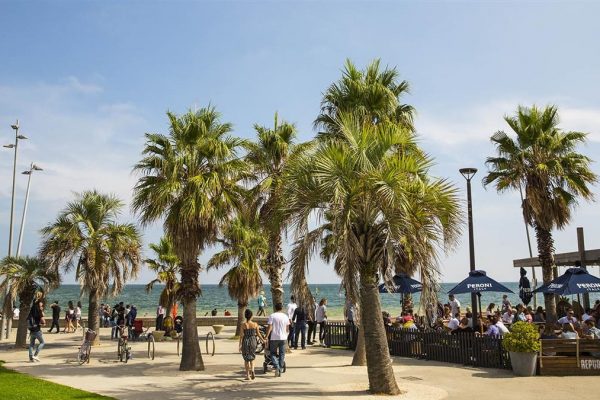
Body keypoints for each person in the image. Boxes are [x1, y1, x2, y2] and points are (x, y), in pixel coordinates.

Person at [265, 303, 290, 377]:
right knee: (282, 353)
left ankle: (277, 367)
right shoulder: (285, 316)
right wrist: (286, 335)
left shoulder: (272, 316)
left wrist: (266, 336)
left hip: (274, 337)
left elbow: (269, 327)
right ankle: (280, 367)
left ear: (275, 308)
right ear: (281, 308)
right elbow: (287, 328)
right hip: (283, 338)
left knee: (272, 353)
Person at [239, 309, 264, 380]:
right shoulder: (255, 324)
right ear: (251, 316)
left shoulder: (243, 325)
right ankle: (252, 370)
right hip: (253, 341)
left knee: (246, 359)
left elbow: (241, 336)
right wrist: (263, 340)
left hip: (245, 342)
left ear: (245, 316)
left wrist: (240, 345)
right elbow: (258, 334)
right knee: (252, 357)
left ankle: (247, 375)